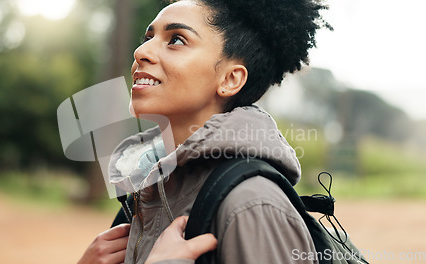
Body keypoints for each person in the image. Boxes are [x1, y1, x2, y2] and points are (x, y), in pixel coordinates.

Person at [78, 0, 330, 263]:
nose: (141, 51)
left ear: (230, 79)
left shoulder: (251, 204)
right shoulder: (147, 193)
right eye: (148, 37)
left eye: (176, 40)